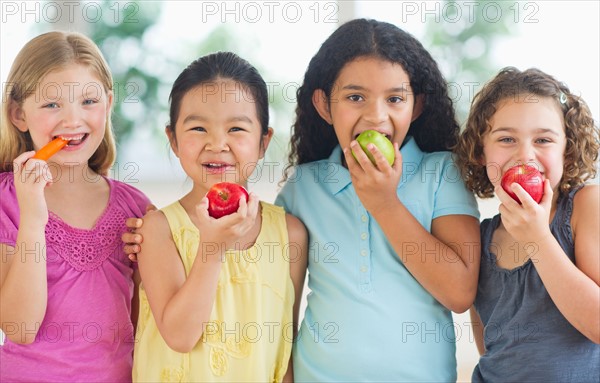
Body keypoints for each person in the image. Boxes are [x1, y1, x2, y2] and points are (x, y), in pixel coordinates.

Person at [274, 18, 480, 381]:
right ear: (324, 105)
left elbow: (459, 292)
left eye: (395, 99)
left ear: (416, 106)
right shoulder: (302, 187)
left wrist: (384, 203)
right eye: (355, 97)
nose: (376, 116)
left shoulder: (442, 173)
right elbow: (279, 309)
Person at [130, 52, 307, 382]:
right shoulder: (158, 229)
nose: (217, 143)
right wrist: (212, 247)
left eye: (237, 128)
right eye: (198, 127)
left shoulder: (289, 233)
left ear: (263, 142)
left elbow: (286, 347)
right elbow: (180, 336)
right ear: (173, 139)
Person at [0, 31, 150, 382]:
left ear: (109, 104)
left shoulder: (137, 210)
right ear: (19, 114)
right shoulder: (6, 201)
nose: (72, 121)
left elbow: (147, 326)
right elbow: (20, 326)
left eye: (88, 101)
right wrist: (33, 220)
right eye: (52, 104)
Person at [454, 67, 600, 382]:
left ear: (568, 152)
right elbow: (489, 344)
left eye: (543, 139)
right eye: (506, 139)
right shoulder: (481, 238)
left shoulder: (586, 208)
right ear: (481, 152)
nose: (525, 156)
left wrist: (537, 239)